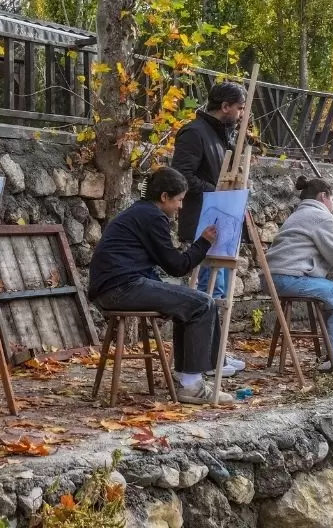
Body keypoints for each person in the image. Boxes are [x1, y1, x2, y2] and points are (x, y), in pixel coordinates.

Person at [88, 167, 233, 404]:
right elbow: (176, 266)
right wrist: (204, 243)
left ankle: (188, 377)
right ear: (164, 197)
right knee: (202, 303)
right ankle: (192, 385)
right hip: (122, 288)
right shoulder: (153, 217)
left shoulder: (140, 212)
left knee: (188, 304)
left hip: (113, 288)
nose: (181, 207)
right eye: (179, 200)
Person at [171, 80, 247, 376]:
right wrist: (219, 194)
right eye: (239, 108)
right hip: (203, 222)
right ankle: (204, 360)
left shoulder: (220, 135)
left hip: (220, 222)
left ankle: (215, 353)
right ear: (225, 106)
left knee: (219, 289)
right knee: (206, 291)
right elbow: (182, 177)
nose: (241, 114)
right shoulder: (194, 133)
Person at [266, 177, 333, 373]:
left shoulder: (299, 214)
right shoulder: (321, 217)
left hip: (273, 277)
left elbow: (325, 257)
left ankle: (332, 355)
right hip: (290, 278)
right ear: (323, 196)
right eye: (332, 200)